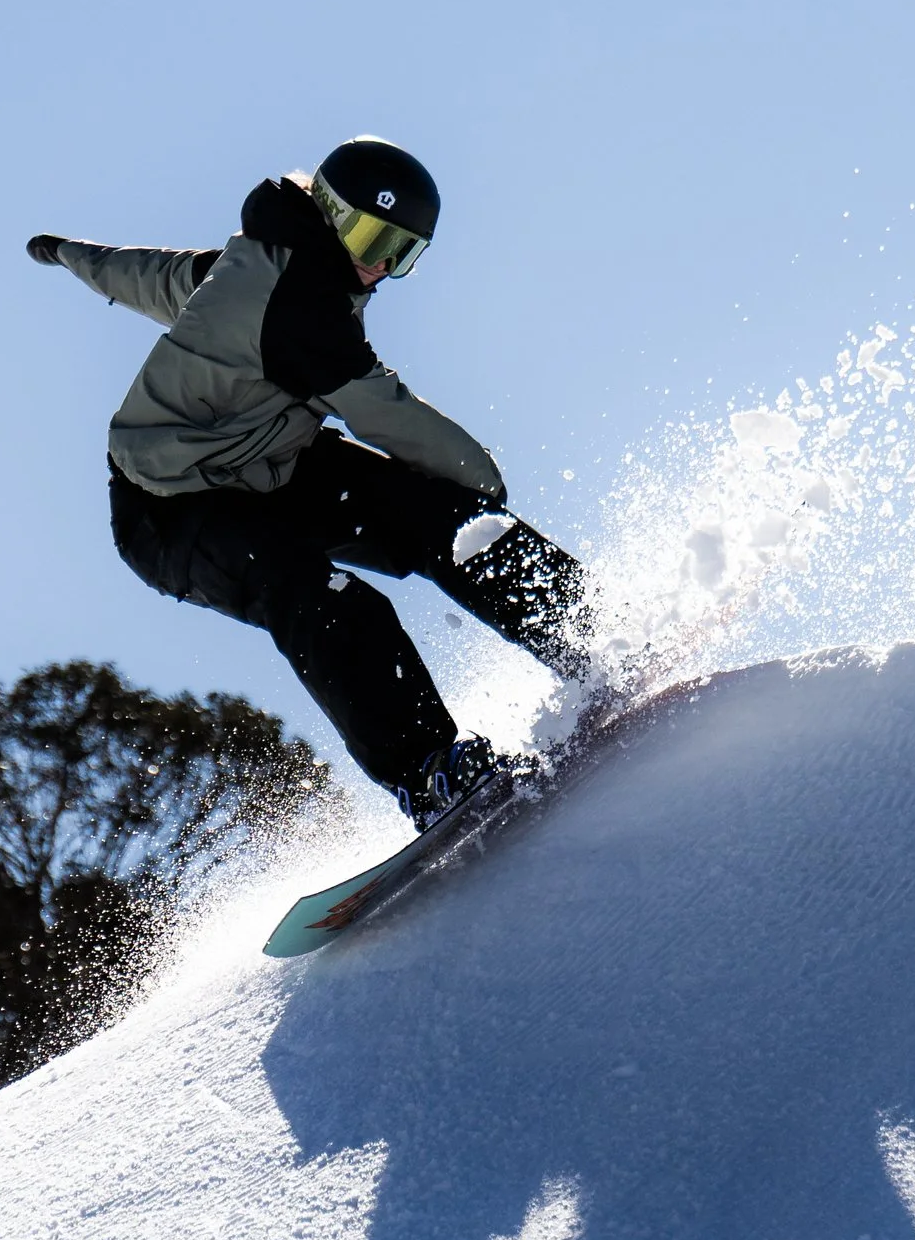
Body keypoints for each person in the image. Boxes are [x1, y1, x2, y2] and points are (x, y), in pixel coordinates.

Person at [29, 138, 591, 828]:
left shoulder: (253, 264)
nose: (380, 265)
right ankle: (429, 773)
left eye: (402, 252)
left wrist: (67, 253)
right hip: (172, 509)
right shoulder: (297, 306)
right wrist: (487, 488)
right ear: (327, 212)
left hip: (277, 463)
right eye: (371, 236)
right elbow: (386, 415)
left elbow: (149, 276)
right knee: (325, 598)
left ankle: (588, 634)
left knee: (444, 521)